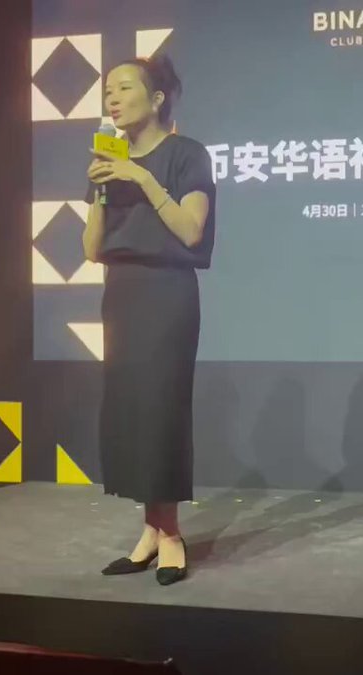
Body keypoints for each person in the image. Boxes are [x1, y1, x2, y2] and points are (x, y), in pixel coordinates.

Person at [82, 54, 215, 586]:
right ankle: (151, 532)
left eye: (124, 88)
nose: (112, 99)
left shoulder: (187, 154)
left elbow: (191, 230)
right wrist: (99, 191)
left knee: (161, 410)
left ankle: (171, 534)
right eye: (107, 91)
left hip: (167, 294)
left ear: (157, 98)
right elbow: (92, 249)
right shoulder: (106, 159)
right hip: (121, 294)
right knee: (132, 413)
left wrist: (140, 176)